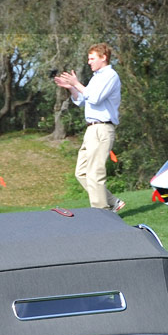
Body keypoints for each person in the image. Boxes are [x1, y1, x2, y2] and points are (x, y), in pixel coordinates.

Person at [54, 42, 125, 213]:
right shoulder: (97, 77)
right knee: (82, 173)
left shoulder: (110, 76)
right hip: (91, 130)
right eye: (88, 58)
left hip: (102, 129)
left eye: (92, 58)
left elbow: (95, 98)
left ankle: (102, 214)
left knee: (95, 173)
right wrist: (71, 87)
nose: (89, 62)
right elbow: (81, 100)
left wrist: (77, 83)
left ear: (103, 58)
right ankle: (112, 202)